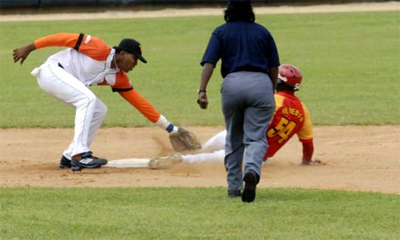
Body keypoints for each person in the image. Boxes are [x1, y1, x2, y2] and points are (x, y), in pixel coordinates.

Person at [13, 33, 186, 171]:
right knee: (87, 99)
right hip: (51, 72)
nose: (135, 64)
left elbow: (140, 103)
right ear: (122, 53)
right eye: (135, 59)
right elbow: (63, 38)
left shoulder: (118, 78)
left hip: (61, 81)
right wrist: (30, 47)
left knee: (99, 109)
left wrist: (171, 129)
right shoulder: (98, 47)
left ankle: (70, 154)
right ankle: (80, 156)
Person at [150, 64, 318, 172]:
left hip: (234, 136)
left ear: (278, 82)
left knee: (212, 148)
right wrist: (306, 161)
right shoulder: (303, 112)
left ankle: (188, 154)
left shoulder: (270, 99)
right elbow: (308, 145)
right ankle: (184, 159)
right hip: (255, 154)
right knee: (219, 158)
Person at [197, 0, 280, 202]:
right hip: (261, 84)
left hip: (232, 84)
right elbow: (274, 65)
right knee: (256, 137)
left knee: (234, 137)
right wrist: (272, 87)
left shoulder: (221, 32)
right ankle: (251, 171)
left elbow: (210, 63)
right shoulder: (262, 32)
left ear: (228, 12)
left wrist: (202, 90)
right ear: (250, 12)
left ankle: (234, 188)